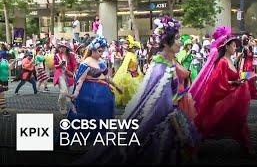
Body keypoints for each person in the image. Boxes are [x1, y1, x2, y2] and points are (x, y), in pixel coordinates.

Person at [74, 16, 199, 165]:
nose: (180, 42)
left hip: (168, 120)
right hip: (164, 124)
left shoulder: (167, 63)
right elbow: (162, 104)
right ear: (166, 42)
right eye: (177, 38)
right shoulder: (161, 68)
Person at [194, 26, 254, 157]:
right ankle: (193, 144)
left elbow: (235, 77)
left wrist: (246, 77)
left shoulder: (230, 60)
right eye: (233, 46)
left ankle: (246, 146)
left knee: (240, 122)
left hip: (235, 98)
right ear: (226, 47)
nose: (235, 48)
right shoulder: (222, 62)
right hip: (226, 99)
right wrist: (235, 83)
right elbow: (218, 83)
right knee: (210, 123)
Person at [66, 36, 123, 141]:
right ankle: (85, 139)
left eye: (102, 51)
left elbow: (106, 77)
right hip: (89, 93)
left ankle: (100, 137)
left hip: (103, 93)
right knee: (88, 116)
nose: (101, 53)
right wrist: (76, 93)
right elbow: (80, 79)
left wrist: (116, 85)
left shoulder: (101, 62)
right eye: (99, 51)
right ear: (92, 50)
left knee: (103, 114)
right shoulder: (86, 62)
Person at [112, 35, 143, 108]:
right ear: (131, 48)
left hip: (135, 75)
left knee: (134, 90)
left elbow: (136, 66)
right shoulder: (129, 55)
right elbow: (124, 66)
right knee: (130, 90)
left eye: (136, 49)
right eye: (134, 48)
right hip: (128, 76)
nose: (135, 50)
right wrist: (122, 75)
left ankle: (132, 104)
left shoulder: (133, 55)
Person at [53, 41, 77, 114]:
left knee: (65, 93)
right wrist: (59, 65)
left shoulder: (71, 55)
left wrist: (73, 73)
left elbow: (75, 65)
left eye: (63, 47)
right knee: (64, 91)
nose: (62, 48)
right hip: (60, 74)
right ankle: (63, 107)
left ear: (66, 48)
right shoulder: (57, 55)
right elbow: (55, 65)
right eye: (60, 47)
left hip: (69, 75)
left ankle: (65, 106)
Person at [0, 44, 10, 116]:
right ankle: (3, 110)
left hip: (4, 79)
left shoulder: (5, 61)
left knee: (2, 95)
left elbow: (9, 68)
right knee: (1, 95)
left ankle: (3, 110)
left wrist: (13, 62)